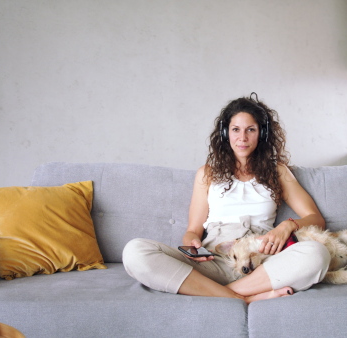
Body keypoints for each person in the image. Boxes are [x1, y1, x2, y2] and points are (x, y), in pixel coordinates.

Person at [122, 93, 330, 303]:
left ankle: (220, 293)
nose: (242, 138)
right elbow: (192, 231)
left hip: (262, 263)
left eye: (251, 130)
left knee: (317, 254)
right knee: (135, 251)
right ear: (225, 133)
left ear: (262, 134)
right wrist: (192, 243)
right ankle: (246, 297)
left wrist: (287, 226)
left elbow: (316, 219)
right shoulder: (207, 173)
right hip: (214, 260)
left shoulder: (278, 172)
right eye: (236, 130)